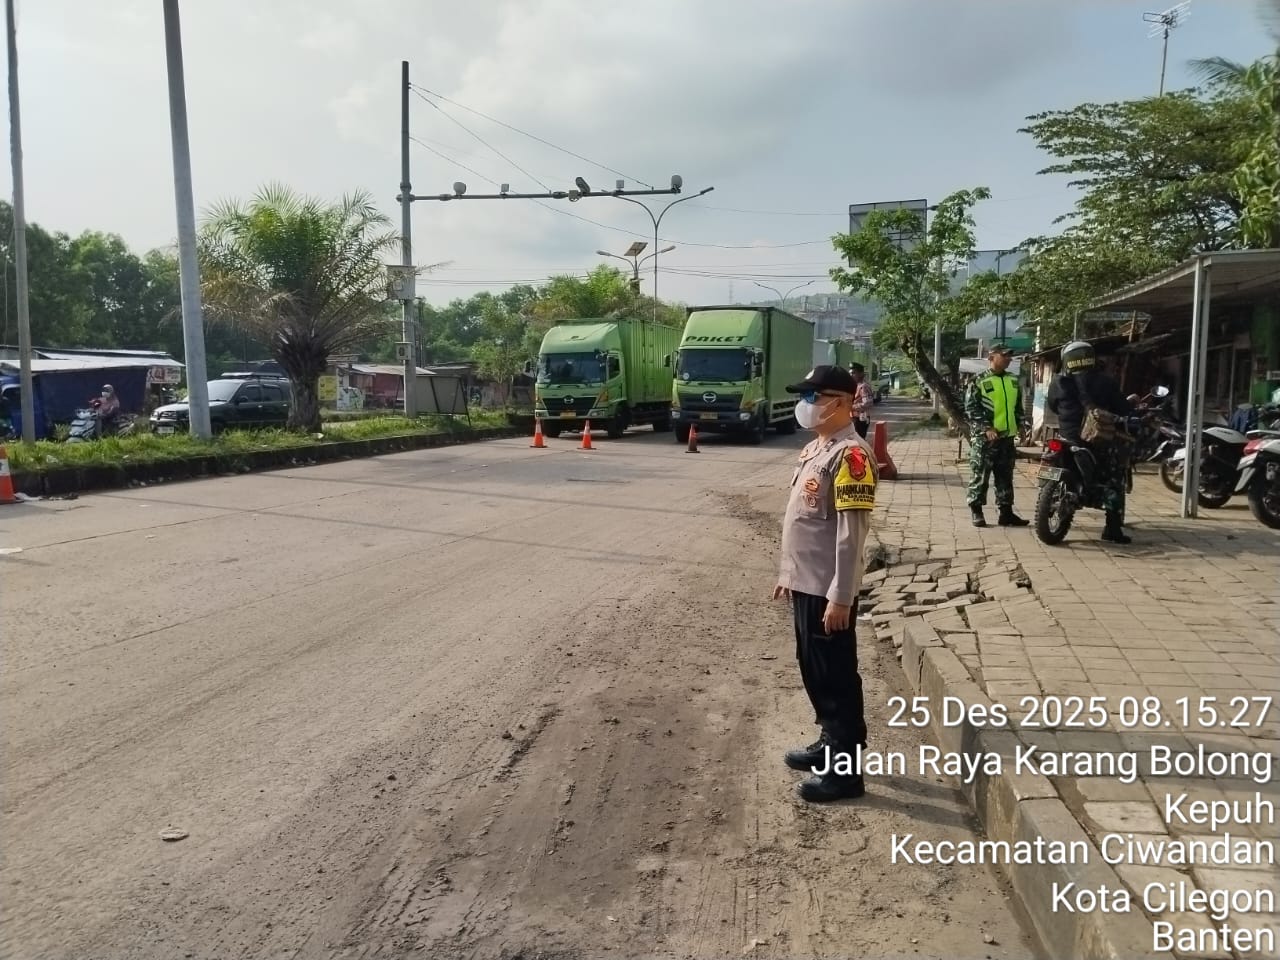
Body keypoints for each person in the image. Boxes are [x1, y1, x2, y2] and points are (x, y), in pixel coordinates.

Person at [772, 365, 877, 803]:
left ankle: (846, 771)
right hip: (806, 583)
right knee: (814, 669)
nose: (806, 404)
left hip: (827, 590)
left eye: (813, 397)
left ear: (841, 403)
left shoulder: (852, 456)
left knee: (836, 678)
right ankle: (829, 742)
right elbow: (803, 521)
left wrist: (841, 596)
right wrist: (788, 575)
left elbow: (851, 535)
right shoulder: (818, 448)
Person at [1047, 341, 1135, 544]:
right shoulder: (1105, 382)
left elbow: (1052, 406)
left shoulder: (1058, 382)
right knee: (1114, 479)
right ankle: (1112, 529)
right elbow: (1123, 408)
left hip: (1067, 437)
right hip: (1095, 440)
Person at [964, 345, 1029, 527]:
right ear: (991, 357)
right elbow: (971, 408)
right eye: (1004, 355)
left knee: (1005, 476)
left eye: (1010, 356)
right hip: (986, 439)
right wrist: (986, 427)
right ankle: (977, 511)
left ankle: (1006, 513)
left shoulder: (1013, 380)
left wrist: (1021, 425)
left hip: (1007, 438)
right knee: (980, 475)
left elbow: (1017, 407)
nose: (1008, 359)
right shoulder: (978, 380)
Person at [849, 363, 875, 439]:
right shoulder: (855, 385)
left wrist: (851, 407)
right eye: (850, 373)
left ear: (861, 374)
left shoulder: (863, 387)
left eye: (853, 373)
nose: (851, 375)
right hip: (853, 418)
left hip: (860, 419)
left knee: (858, 440)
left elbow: (867, 403)